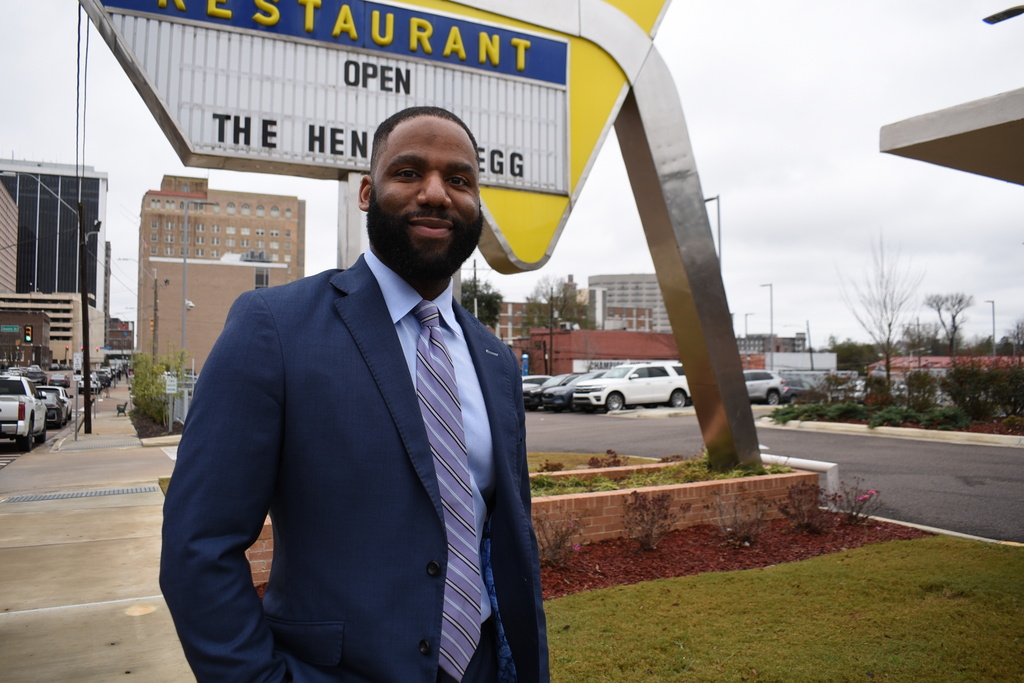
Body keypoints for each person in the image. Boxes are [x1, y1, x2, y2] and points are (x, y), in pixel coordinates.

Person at [160, 106, 549, 682]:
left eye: (459, 180)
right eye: (409, 173)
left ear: (476, 203)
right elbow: (199, 545)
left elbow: (510, 542)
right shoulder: (274, 328)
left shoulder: (495, 360)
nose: (436, 193)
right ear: (367, 192)